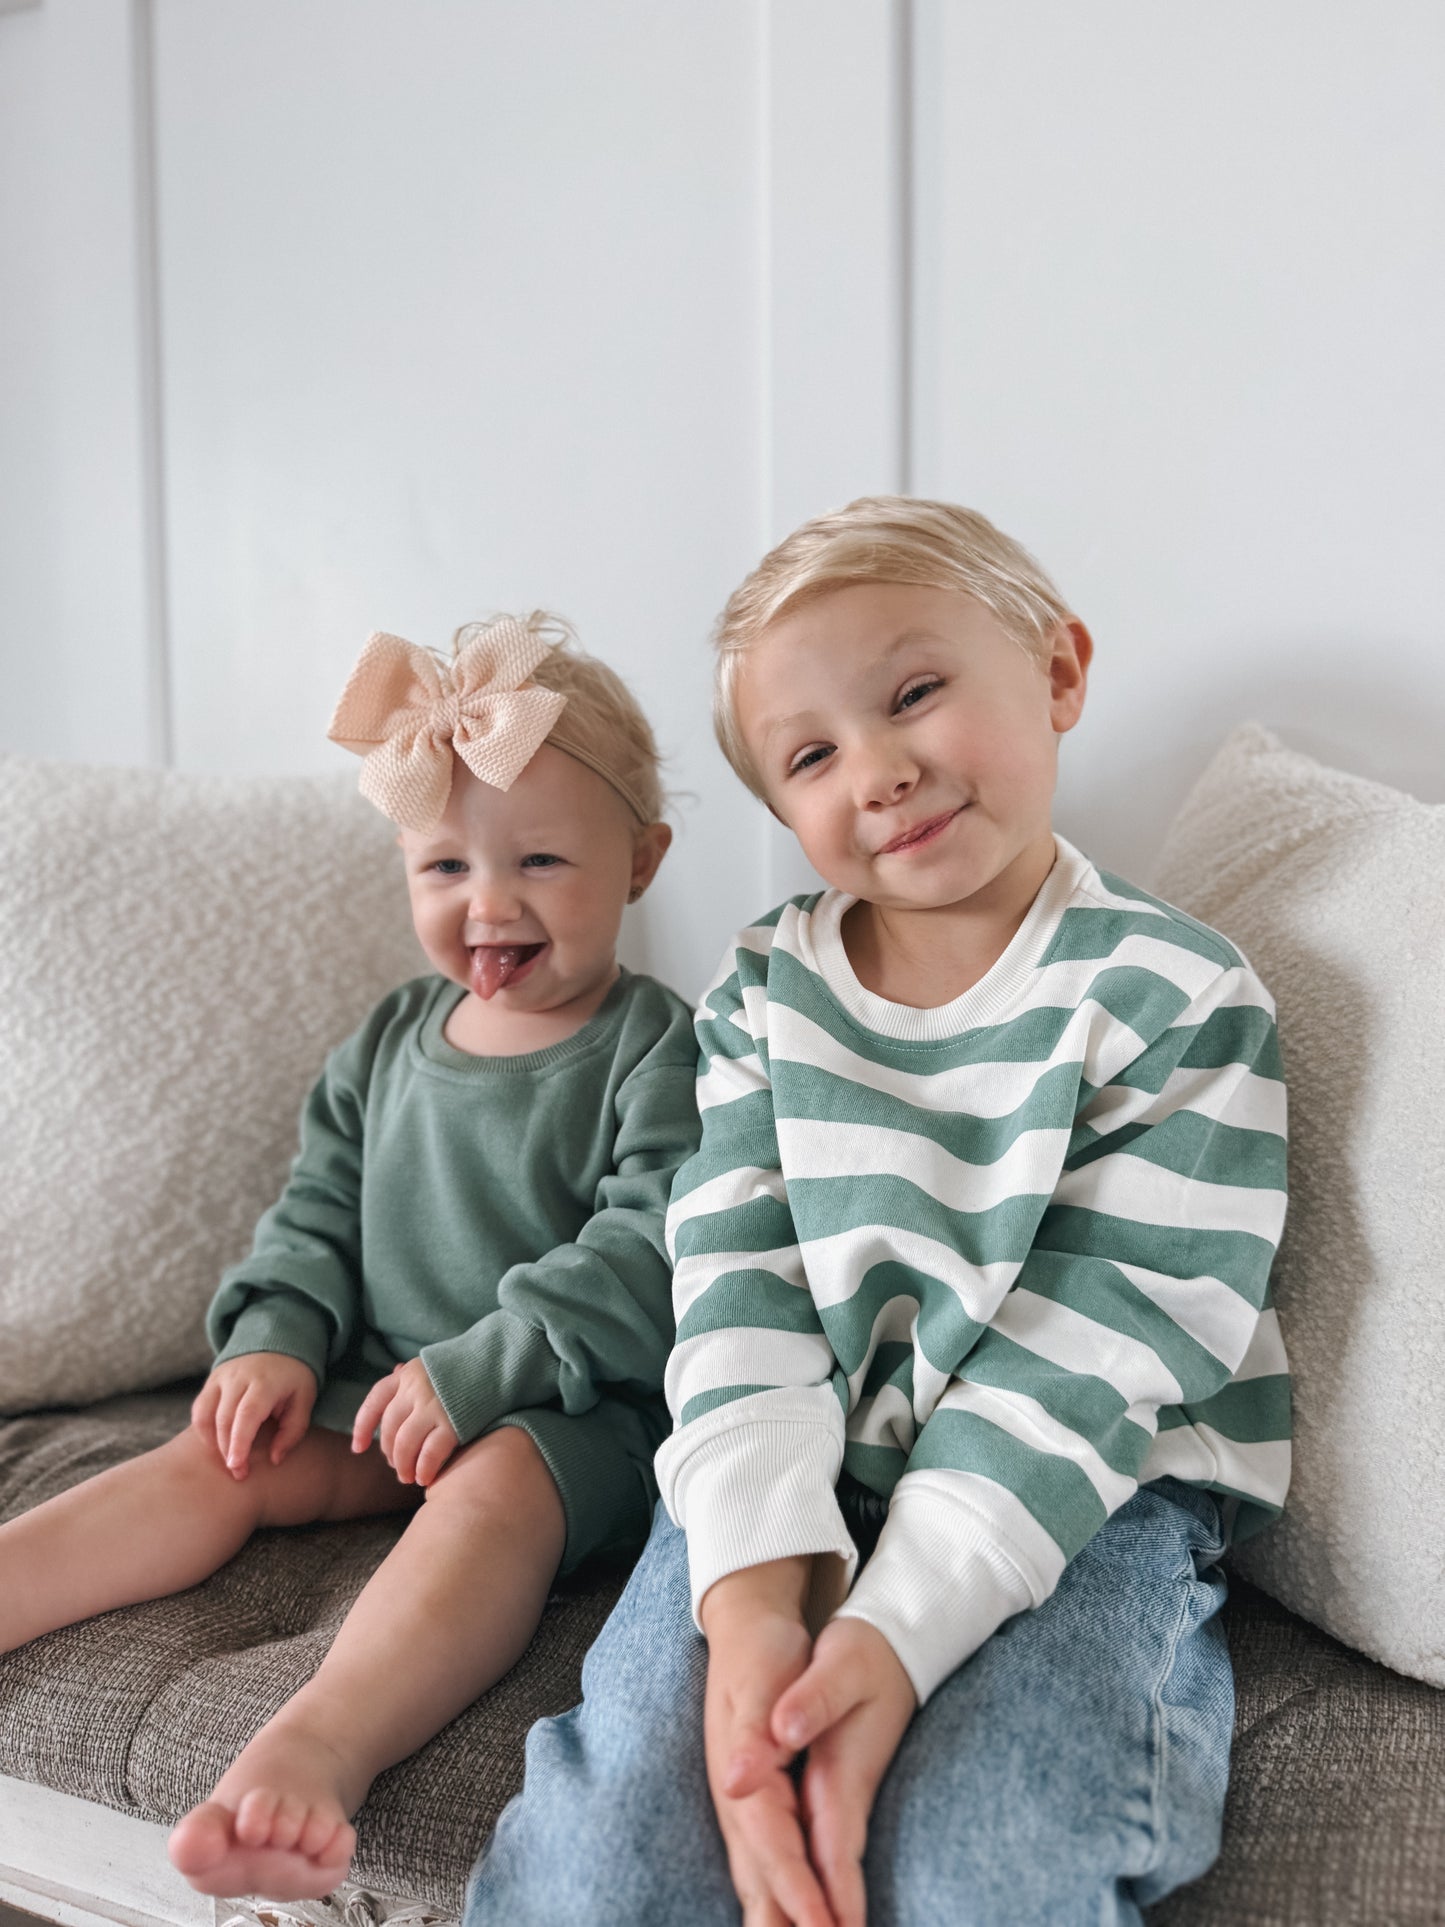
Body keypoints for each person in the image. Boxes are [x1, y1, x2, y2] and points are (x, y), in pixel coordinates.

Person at [466, 500, 1290, 1926]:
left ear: (1056, 669)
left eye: (913, 693)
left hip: (1079, 1495)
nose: (882, 770)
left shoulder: (1175, 996)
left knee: (979, 1865)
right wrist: (750, 1616)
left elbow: (1095, 1347)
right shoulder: (760, 998)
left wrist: (892, 1644)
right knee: (610, 1866)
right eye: (811, 755)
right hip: (785, 1473)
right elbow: (735, 1297)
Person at [0, 614, 700, 1903]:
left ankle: (320, 1744)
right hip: (377, 1382)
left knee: (494, 1491)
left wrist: (486, 1371)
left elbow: (649, 1249)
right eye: (445, 866)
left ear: (642, 861)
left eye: (541, 859)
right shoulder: (390, 1038)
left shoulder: (657, 1048)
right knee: (217, 1457)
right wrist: (275, 1336)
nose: (490, 904)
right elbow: (315, 1210)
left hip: (568, 1410)